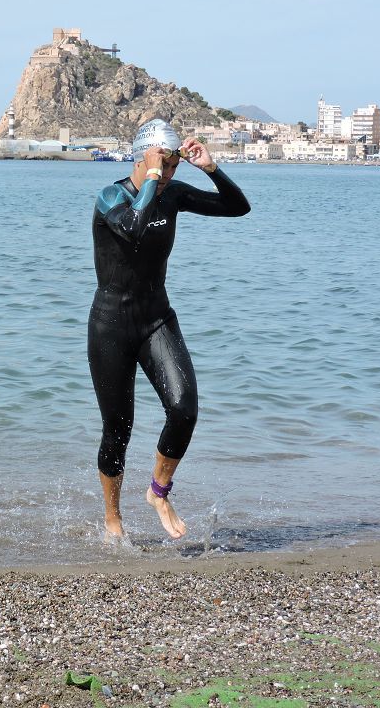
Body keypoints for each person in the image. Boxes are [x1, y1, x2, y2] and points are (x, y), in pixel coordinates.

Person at [88, 118, 250, 541]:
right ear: (143, 156)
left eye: (174, 166)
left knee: (184, 410)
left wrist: (211, 170)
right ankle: (112, 519)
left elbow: (238, 207)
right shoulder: (110, 197)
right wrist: (152, 176)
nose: (169, 175)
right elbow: (133, 227)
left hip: (156, 319)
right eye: (163, 163)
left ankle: (158, 492)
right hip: (111, 326)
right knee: (117, 430)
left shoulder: (172, 194)